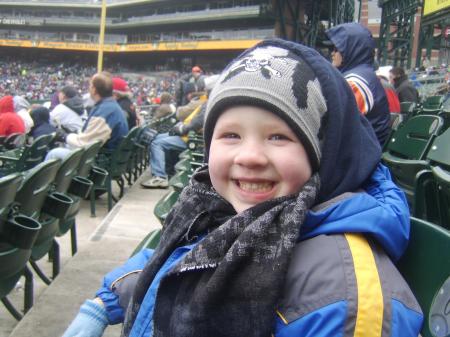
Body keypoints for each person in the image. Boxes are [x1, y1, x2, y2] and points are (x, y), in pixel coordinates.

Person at [62, 39, 422, 337]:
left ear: (322, 154)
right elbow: (180, 260)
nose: (249, 156)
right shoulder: (225, 209)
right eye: (231, 135)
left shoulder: (349, 301)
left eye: (279, 136)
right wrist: (105, 302)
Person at [326, 22, 391, 146]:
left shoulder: (356, 81)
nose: (332, 53)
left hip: (363, 157)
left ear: (351, 49)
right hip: (363, 150)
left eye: (336, 49)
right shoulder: (363, 74)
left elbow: (334, 124)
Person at [45, 72, 128, 160]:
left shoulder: (105, 111)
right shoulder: (109, 105)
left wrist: (64, 136)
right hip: (107, 156)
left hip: (101, 160)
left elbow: (85, 144)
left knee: (54, 153)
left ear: (94, 90)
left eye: (90, 86)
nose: (89, 88)